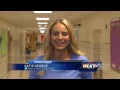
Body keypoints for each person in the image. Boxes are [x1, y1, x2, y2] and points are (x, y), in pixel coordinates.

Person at [29, 18, 93, 79]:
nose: (60, 37)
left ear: (70, 37)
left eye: (64, 34)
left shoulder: (82, 61)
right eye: (55, 34)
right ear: (50, 37)